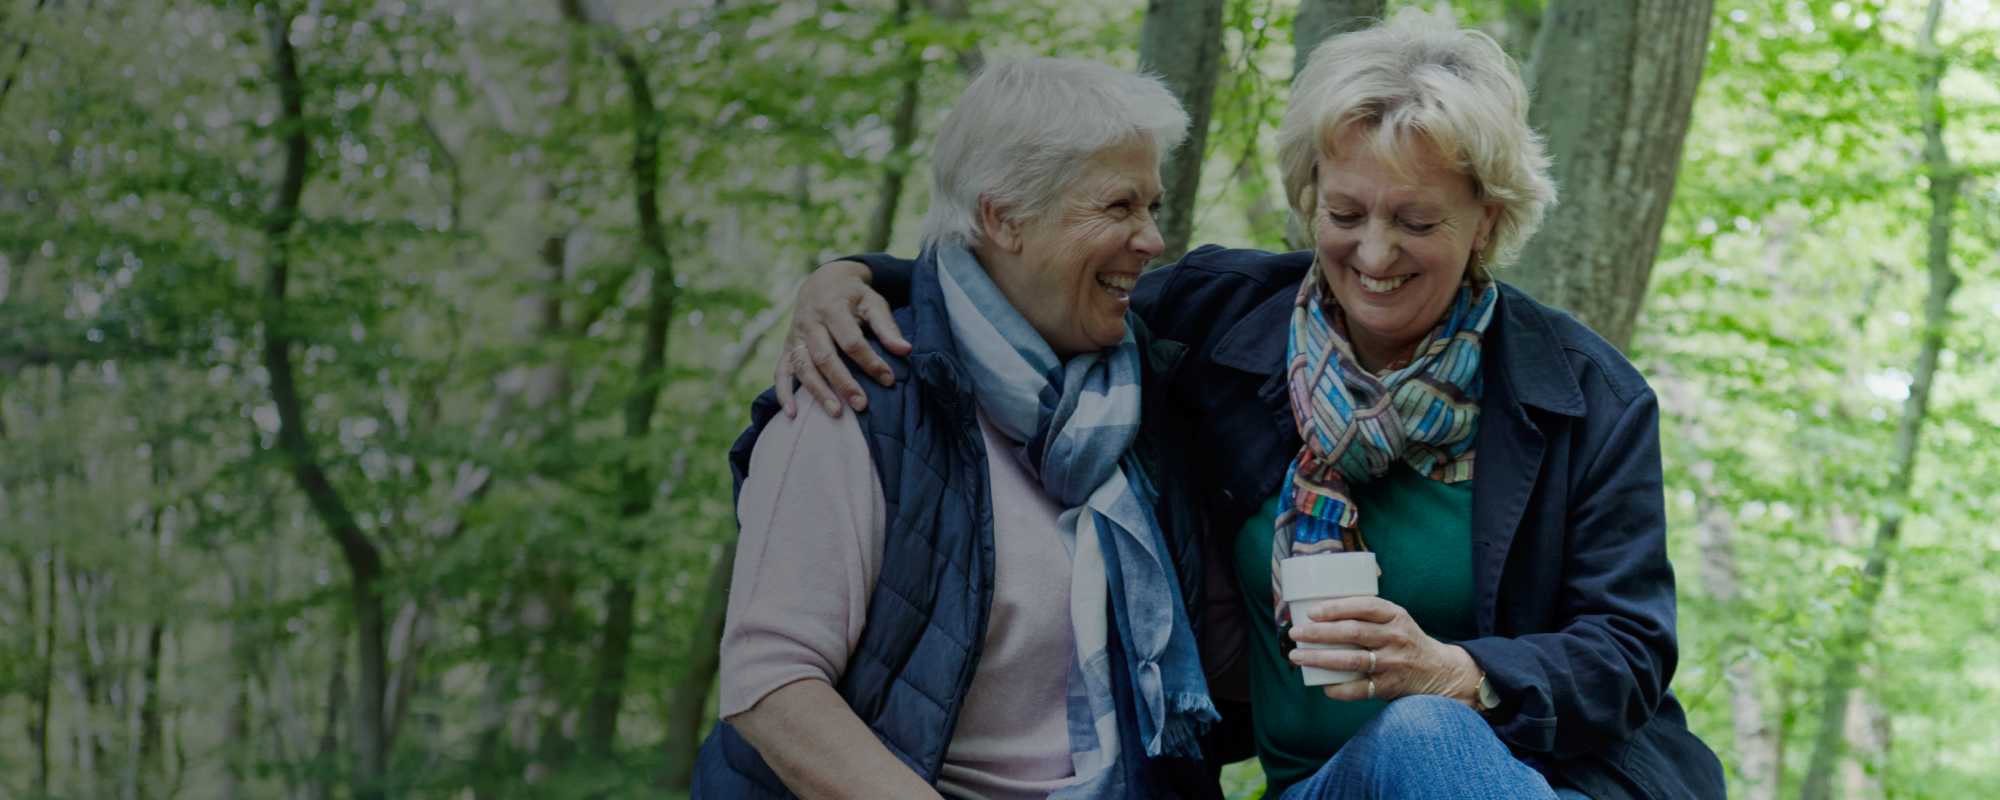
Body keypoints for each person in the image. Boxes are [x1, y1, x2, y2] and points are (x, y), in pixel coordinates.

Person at [770, 9, 1725, 800]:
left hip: (1533, 779)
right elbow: (1033, 278)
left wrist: (1459, 672)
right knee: (1406, 745)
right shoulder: (1224, 323)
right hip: (1319, 788)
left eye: (1417, 221)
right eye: (1345, 214)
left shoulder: (1584, 395)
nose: (1375, 254)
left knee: (1426, 737)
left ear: (1490, 219)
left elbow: (1630, 649)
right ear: (1309, 197)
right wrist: (856, 279)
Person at [691, 57, 1226, 800]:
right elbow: (770, 684)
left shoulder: (1142, 392)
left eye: (1152, 207)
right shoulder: (854, 395)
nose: (1151, 239)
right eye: (1119, 207)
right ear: (1003, 217)